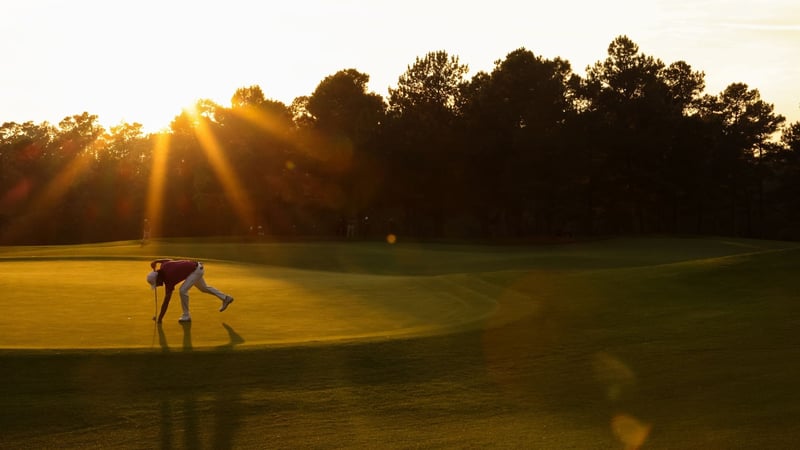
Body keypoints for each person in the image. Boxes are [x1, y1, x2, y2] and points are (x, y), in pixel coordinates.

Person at [146, 259, 234, 323]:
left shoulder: (169, 279)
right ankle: (226, 298)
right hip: (197, 267)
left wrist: (160, 319)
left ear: (158, 279)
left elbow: (166, 301)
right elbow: (168, 260)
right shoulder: (164, 266)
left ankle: (186, 316)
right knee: (203, 288)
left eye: (156, 284)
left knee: (182, 290)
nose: (157, 286)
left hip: (195, 270)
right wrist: (157, 261)